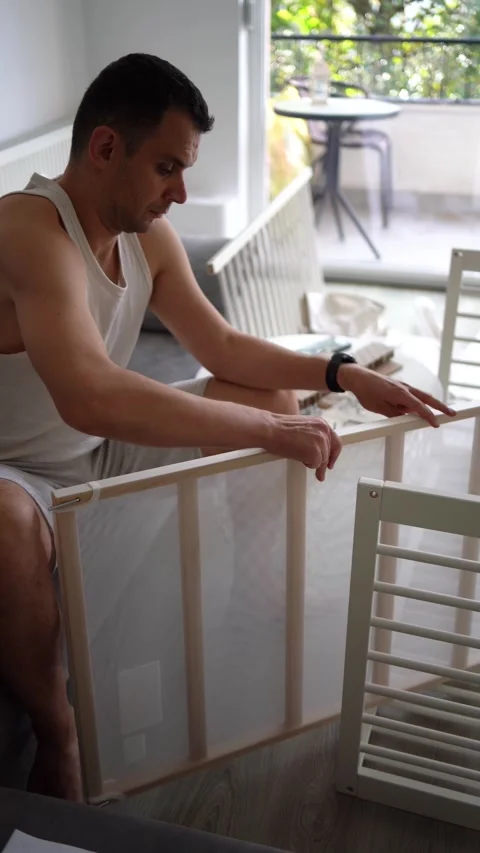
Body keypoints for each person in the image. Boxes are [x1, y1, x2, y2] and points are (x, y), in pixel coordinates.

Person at [0, 53, 454, 802]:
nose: (180, 193)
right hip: (19, 472)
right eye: (167, 168)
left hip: (96, 450)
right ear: (106, 147)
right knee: (5, 518)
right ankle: (59, 734)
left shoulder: (146, 236)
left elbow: (223, 348)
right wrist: (271, 431)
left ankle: (253, 607)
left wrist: (343, 372)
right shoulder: (27, 228)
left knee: (265, 392)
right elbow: (88, 393)